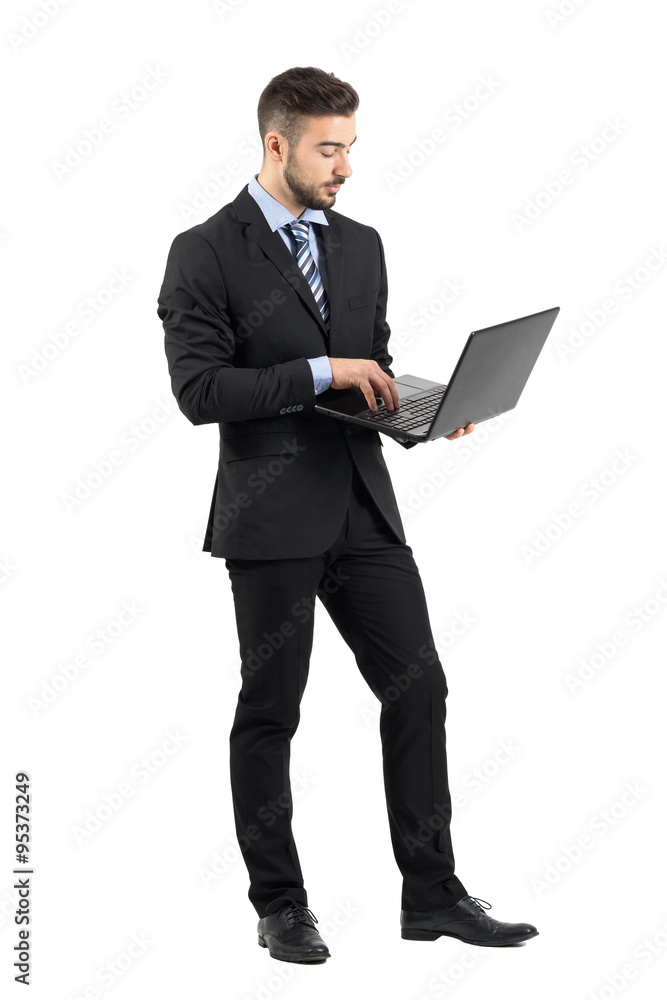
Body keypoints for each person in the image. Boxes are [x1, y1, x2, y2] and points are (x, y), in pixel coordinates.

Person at [157, 65, 538, 964]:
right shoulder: (204, 250)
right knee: (271, 712)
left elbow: (372, 361)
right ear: (276, 144)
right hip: (269, 515)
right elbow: (201, 391)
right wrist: (327, 373)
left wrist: (418, 413)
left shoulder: (360, 244)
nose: (345, 167)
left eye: (351, 148)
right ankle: (281, 905)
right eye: (329, 149)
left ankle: (432, 894)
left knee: (420, 688)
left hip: (363, 509)